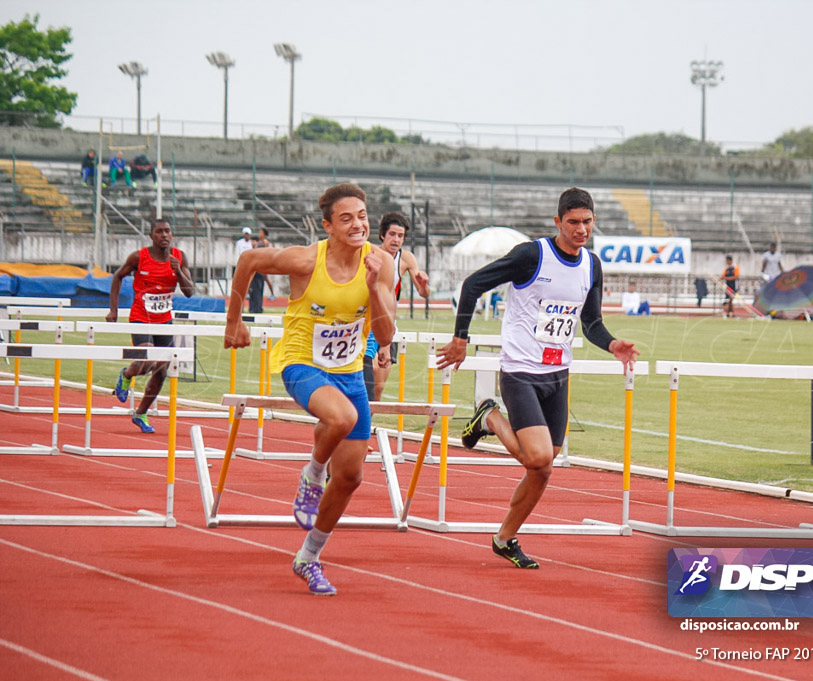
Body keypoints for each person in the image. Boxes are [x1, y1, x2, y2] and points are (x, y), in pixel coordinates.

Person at [437, 187, 638, 570]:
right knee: (539, 455)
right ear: (558, 221)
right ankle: (491, 417)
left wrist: (612, 344)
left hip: (557, 375)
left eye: (587, 222)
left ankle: (504, 538)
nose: (581, 229)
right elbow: (472, 285)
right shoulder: (532, 255)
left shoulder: (591, 265)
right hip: (520, 371)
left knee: (543, 468)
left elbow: (591, 322)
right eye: (574, 222)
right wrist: (460, 339)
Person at [224, 183, 396, 596]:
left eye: (362, 216)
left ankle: (308, 557)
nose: (358, 225)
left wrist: (373, 288)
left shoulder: (381, 263)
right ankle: (312, 473)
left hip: (350, 373)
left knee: (352, 476)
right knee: (342, 418)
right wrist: (235, 320)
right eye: (346, 218)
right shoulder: (305, 260)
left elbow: (386, 334)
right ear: (327, 226)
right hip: (301, 364)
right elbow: (248, 259)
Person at [108, 220, 195, 433]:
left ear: (172, 234)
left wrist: (179, 273)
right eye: (159, 231)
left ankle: (140, 413)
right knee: (146, 362)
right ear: (151, 235)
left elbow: (190, 291)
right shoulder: (139, 257)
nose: (164, 235)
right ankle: (127, 375)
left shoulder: (179, 257)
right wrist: (114, 310)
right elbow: (118, 276)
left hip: (164, 320)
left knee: (162, 370)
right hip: (141, 317)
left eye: (167, 231)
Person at [365, 211, 430, 401]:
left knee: (379, 386)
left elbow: (423, 293)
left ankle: (368, 422)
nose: (396, 239)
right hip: (368, 324)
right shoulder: (371, 255)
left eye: (400, 236)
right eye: (392, 234)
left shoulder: (406, 259)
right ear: (383, 235)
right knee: (371, 370)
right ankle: (360, 423)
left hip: (388, 326)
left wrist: (424, 284)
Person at [247, 229, 275, 314]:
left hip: (261, 268)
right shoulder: (258, 243)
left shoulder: (265, 243)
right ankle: (252, 306)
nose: (259, 234)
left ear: (264, 234)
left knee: (259, 288)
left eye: (261, 232)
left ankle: (258, 308)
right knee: (252, 286)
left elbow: (265, 253)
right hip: (256, 267)